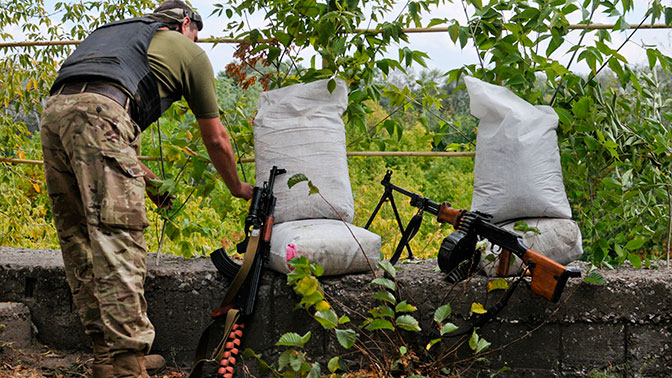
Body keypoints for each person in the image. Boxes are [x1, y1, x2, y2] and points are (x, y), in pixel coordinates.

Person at [39, 1, 253, 377]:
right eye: (196, 34)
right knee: (118, 239)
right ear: (186, 23)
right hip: (103, 114)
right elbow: (216, 139)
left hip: (55, 112)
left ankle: (106, 357)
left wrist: (148, 181)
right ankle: (127, 365)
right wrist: (238, 187)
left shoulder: (118, 36)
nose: (196, 40)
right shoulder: (189, 50)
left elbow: (97, 112)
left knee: (79, 239)